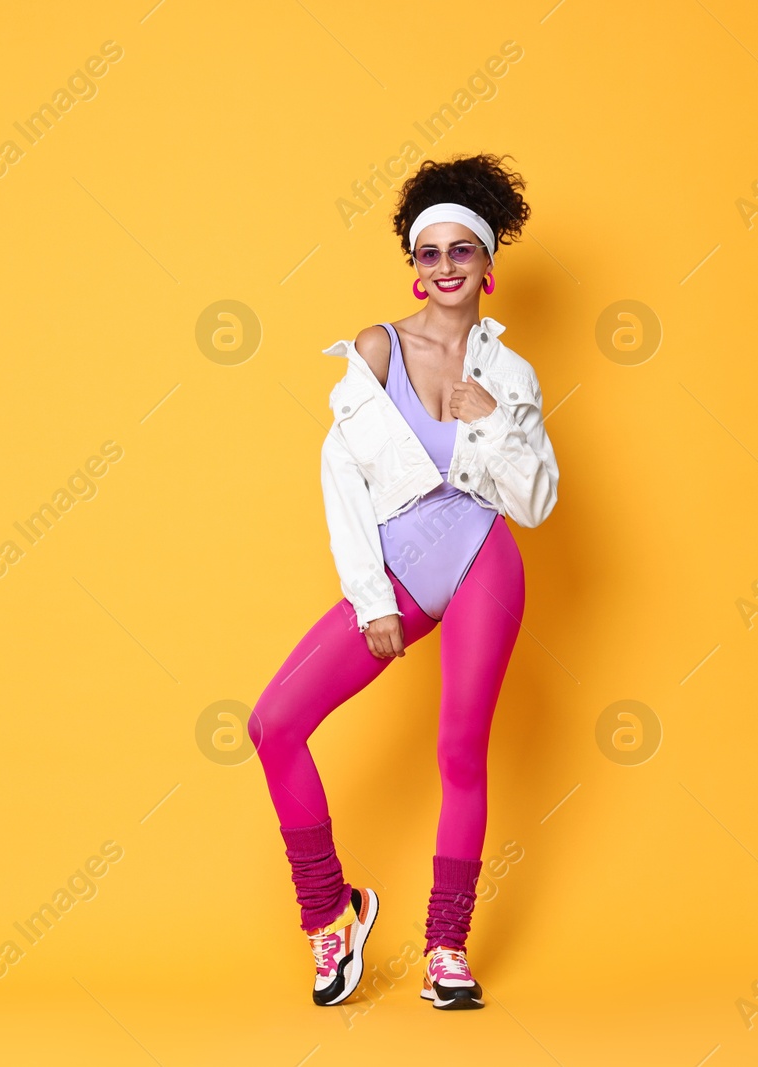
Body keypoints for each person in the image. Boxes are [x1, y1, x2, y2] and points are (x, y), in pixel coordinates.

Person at [249, 152, 559, 1010]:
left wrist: (493, 422)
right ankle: (332, 916)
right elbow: (339, 477)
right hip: (397, 571)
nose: (448, 267)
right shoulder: (375, 350)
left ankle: (445, 948)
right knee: (274, 724)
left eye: (464, 252)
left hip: (484, 564)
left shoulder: (512, 376)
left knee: (460, 751)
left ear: (488, 267)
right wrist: (374, 599)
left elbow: (534, 501)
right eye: (432, 253)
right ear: (415, 267)